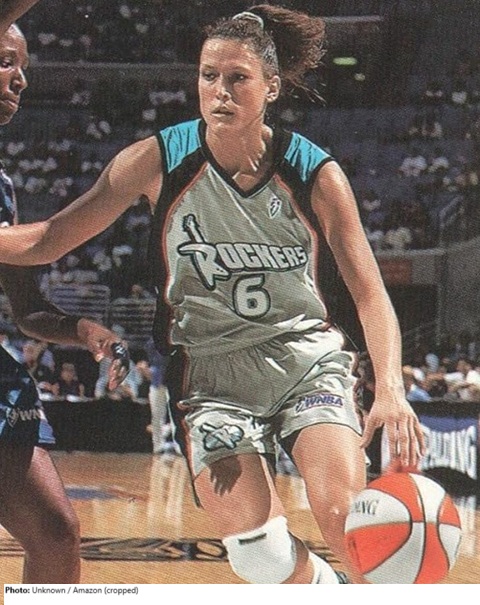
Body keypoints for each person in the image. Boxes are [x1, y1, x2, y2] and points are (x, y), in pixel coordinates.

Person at [0, 5, 425, 584]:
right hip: (209, 373)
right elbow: (48, 240)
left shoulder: (313, 171)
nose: (219, 91)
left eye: (237, 78)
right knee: (258, 554)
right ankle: (327, 589)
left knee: (346, 520)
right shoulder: (158, 159)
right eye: (208, 75)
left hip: (305, 360)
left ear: (271, 86)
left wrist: (392, 389)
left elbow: (370, 293)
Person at [0, 2, 129, 583]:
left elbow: (27, 309)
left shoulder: (3, 186)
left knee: (56, 534)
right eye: (6, 61)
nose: (20, 79)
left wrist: (82, 330)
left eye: (24, 67)